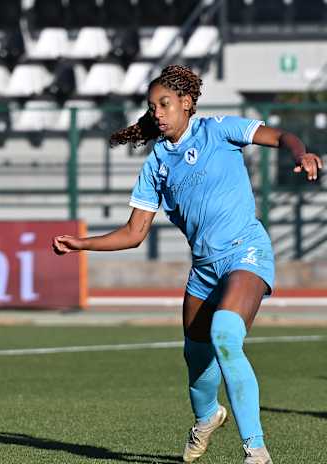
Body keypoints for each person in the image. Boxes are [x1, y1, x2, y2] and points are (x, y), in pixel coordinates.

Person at [53, 65, 322, 464]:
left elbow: (282, 136)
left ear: (187, 103)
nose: (157, 113)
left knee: (226, 337)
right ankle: (207, 417)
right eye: (151, 106)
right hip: (204, 271)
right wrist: (82, 244)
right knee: (196, 364)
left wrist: (302, 153)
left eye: (165, 104)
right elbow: (133, 233)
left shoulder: (220, 129)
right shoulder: (157, 163)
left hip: (246, 252)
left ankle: (257, 452)